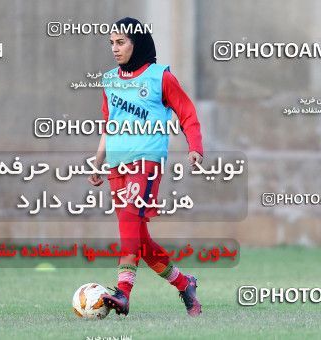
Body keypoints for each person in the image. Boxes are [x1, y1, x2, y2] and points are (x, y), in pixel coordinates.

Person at [88, 17, 203, 317]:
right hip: (116, 165)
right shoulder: (109, 80)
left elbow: (187, 112)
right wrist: (97, 161)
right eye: (111, 43)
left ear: (137, 43)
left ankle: (122, 293)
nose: (114, 48)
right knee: (139, 239)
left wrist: (195, 147)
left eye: (121, 42)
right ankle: (184, 284)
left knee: (127, 223)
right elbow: (107, 124)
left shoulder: (160, 77)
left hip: (146, 163)